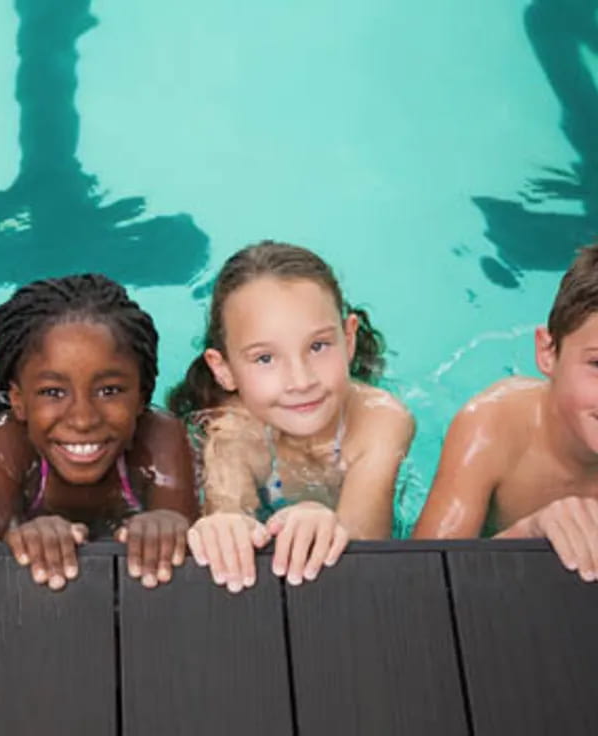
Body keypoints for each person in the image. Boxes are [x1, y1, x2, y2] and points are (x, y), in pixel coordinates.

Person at [169, 241, 414, 592]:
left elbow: (368, 549)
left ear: (349, 338)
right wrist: (225, 526)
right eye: (265, 358)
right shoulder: (232, 429)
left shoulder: (380, 420)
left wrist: (325, 519)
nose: (301, 382)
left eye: (318, 346)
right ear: (223, 370)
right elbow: (228, 514)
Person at [0, 274, 198, 590]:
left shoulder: (160, 437)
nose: (82, 420)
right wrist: (23, 532)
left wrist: (164, 525)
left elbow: (183, 529)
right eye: (52, 392)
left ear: (142, 396)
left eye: (109, 390)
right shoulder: (3, 443)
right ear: (18, 401)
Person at [414, 244, 598, 581]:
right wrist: (528, 533)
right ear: (548, 352)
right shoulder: (493, 426)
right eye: (597, 364)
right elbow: (423, 577)